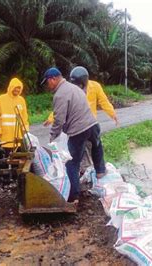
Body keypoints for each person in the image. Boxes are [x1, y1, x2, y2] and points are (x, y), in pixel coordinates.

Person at [41, 67, 106, 203]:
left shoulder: (60, 95)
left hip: (79, 130)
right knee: (96, 145)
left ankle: (73, 196)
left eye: (47, 82)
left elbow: (59, 120)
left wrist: (52, 138)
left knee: (72, 163)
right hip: (93, 124)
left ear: (53, 79)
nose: (48, 86)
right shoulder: (74, 87)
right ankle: (100, 171)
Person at [43, 66, 118, 174]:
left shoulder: (94, 86)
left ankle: (85, 177)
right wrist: (51, 118)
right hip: (90, 125)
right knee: (87, 152)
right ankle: (92, 172)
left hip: (83, 127)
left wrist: (112, 114)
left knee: (79, 157)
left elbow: (103, 101)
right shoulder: (72, 88)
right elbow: (62, 108)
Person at [0, 77, 29, 151]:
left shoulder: (21, 100)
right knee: (7, 159)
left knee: (19, 159)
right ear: (11, 87)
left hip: (18, 137)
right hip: (5, 137)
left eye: (19, 88)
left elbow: (24, 116)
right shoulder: (2, 99)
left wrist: (26, 129)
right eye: (16, 88)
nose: (17, 90)